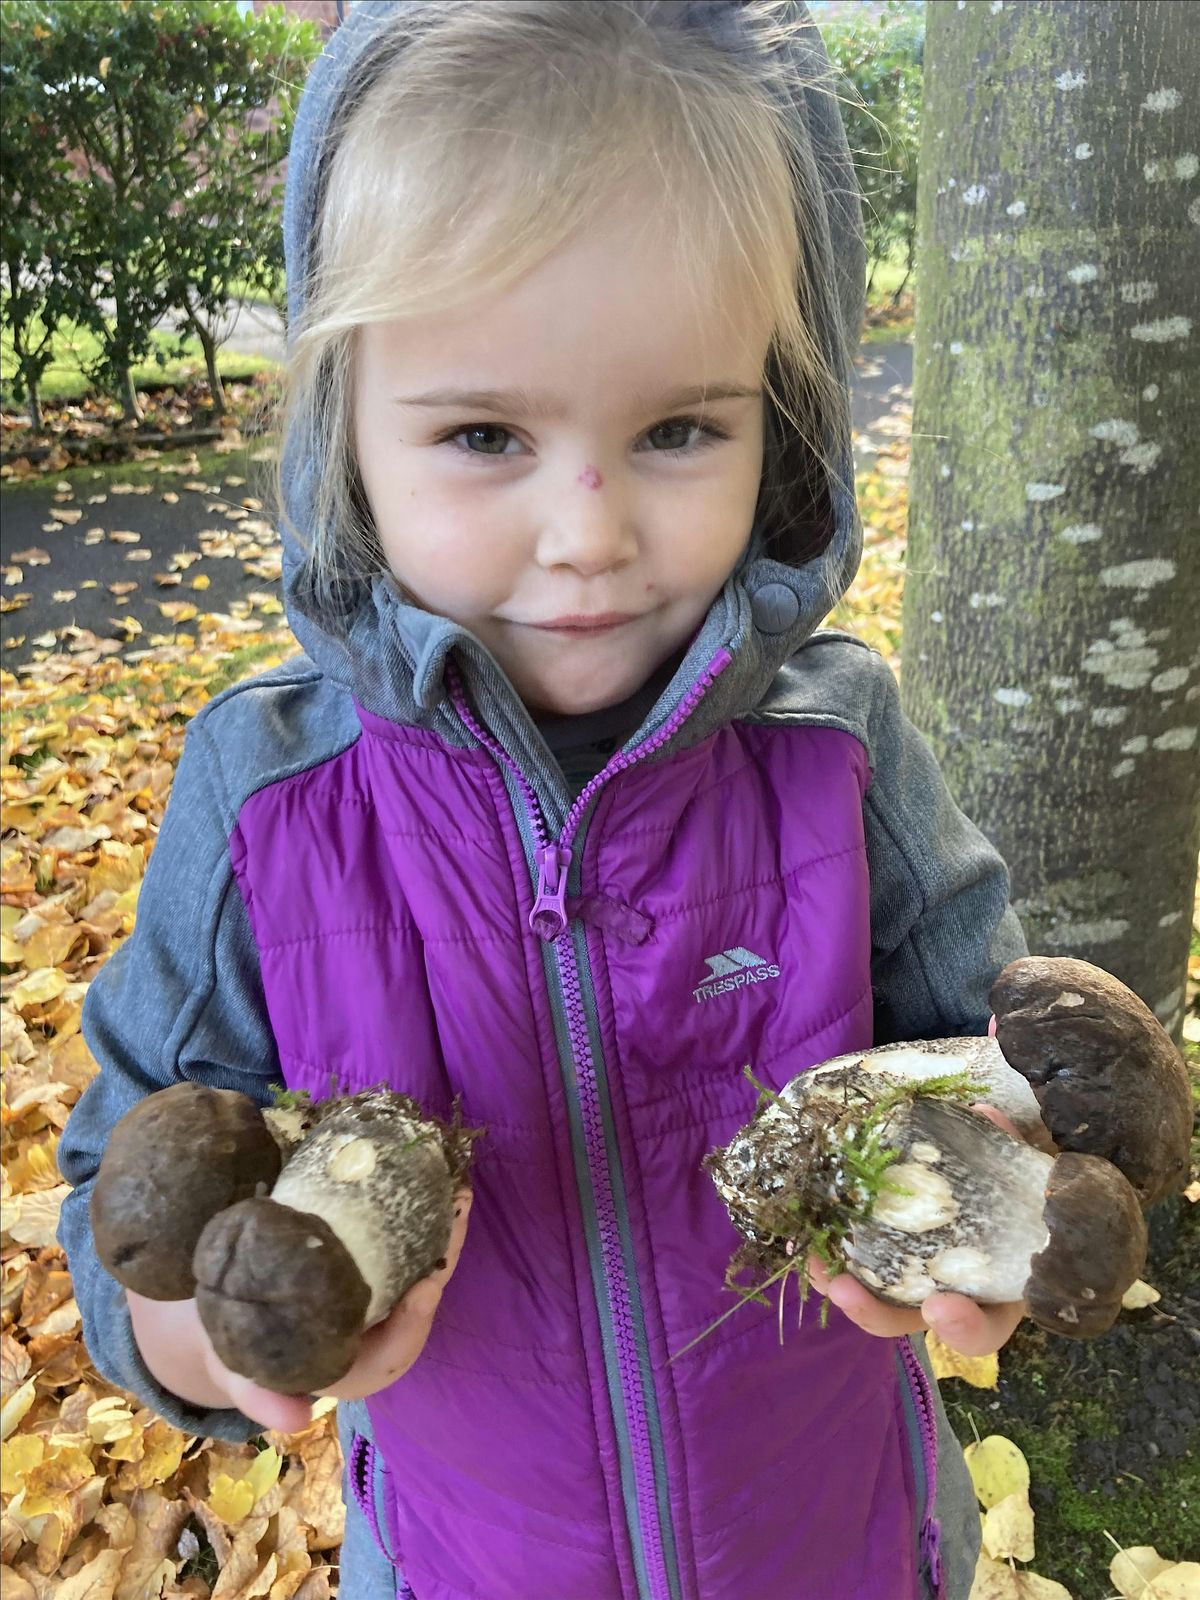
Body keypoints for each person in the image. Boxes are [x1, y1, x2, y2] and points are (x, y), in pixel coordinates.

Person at [59, 4, 1032, 1597]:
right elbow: (129, 1189)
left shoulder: (837, 742)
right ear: (347, 443)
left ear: (777, 426)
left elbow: (993, 1048)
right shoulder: (272, 797)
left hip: (844, 1537)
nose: (587, 535)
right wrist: (204, 1336)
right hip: (460, 1559)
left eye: (676, 429)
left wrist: (999, 1200)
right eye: (485, 435)